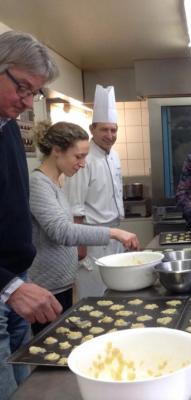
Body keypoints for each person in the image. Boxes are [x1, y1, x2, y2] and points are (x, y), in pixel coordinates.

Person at [29, 121, 139, 333]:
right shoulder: (38, 184)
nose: (82, 163)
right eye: (78, 157)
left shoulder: (56, 183)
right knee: (52, 354)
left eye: (85, 157)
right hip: (46, 288)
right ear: (57, 151)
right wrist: (113, 233)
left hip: (62, 285)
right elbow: (61, 231)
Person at [0, 31, 62, 399]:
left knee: (31, 386)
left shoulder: (7, 128)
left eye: (33, 93)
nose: (26, 102)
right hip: (6, 284)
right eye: (22, 88)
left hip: (16, 280)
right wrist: (8, 285)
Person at [63, 85, 127, 299]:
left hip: (115, 236)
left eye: (114, 129)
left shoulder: (114, 156)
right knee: (95, 296)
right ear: (92, 129)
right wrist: (80, 247)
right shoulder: (84, 159)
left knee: (117, 295)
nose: (110, 135)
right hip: (92, 241)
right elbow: (75, 205)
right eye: (104, 130)